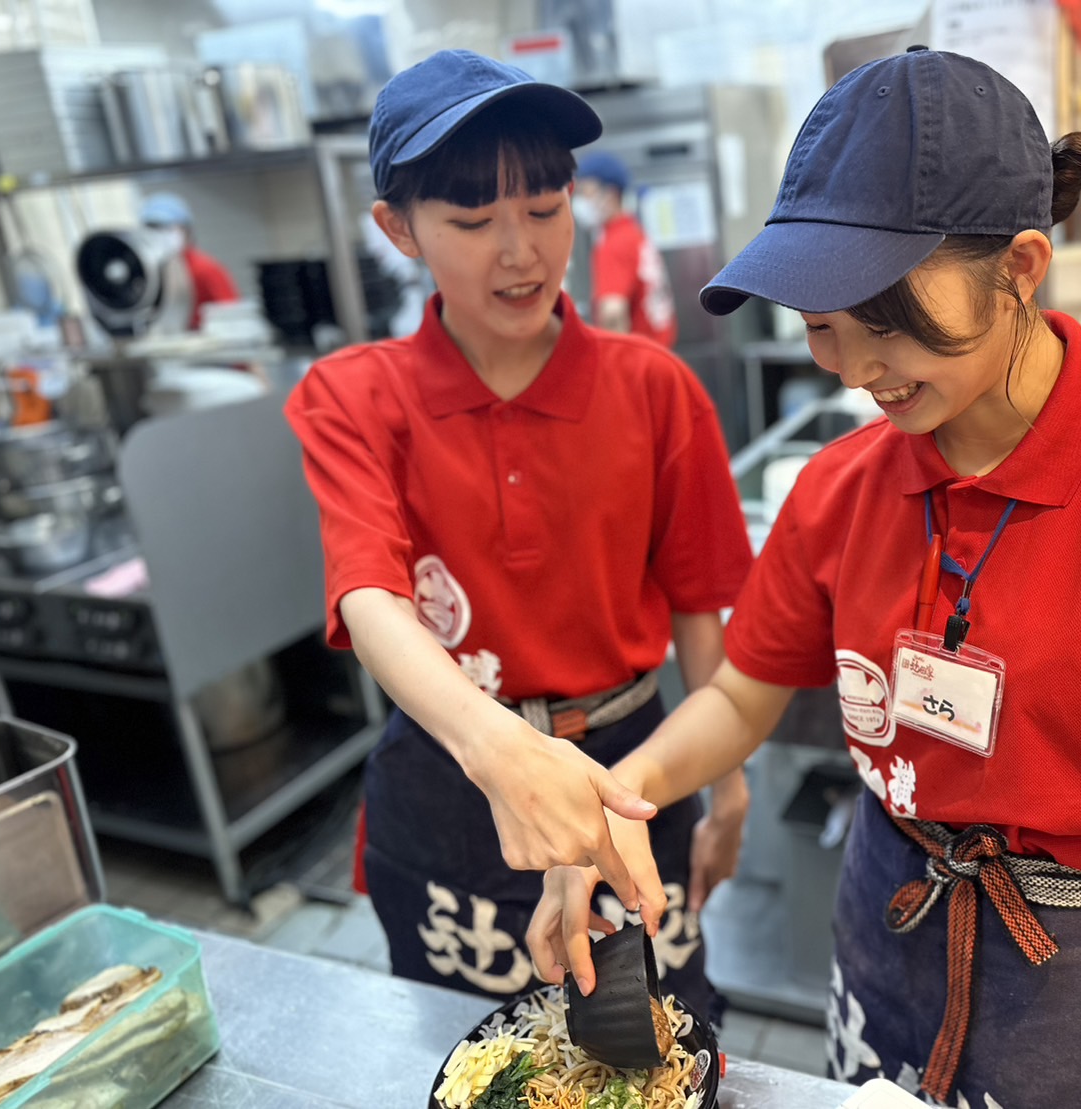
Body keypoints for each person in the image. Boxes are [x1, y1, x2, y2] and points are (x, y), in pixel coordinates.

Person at [525, 48, 1081, 1107]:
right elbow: (747, 690)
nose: (852, 365)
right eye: (820, 324)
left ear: (1022, 267)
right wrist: (630, 792)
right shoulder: (842, 488)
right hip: (889, 919)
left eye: (883, 319)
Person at [283, 50, 753, 1017]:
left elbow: (701, 603)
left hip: (633, 763)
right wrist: (499, 753)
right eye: (471, 220)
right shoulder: (353, 396)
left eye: (544, 210)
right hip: (451, 774)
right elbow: (368, 596)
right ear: (398, 229)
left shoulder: (654, 389)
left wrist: (728, 783)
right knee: (472, 1047)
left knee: (659, 1035)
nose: (520, 251)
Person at [572, 150, 678, 347]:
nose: (579, 203)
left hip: (638, 363)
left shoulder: (614, 244)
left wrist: (614, 366)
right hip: (658, 352)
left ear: (610, 194)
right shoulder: (633, 232)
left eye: (585, 193)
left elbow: (612, 313)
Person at [138, 192, 240, 331]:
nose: (160, 235)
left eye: (167, 229)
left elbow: (233, 314)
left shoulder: (205, 268)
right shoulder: (149, 273)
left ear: (186, 231)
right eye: (154, 230)